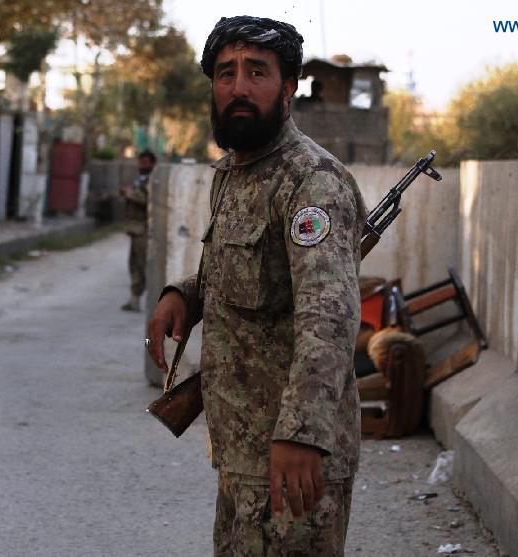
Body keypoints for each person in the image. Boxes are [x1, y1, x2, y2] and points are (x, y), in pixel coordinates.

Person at [146, 16, 367, 555]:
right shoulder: (234, 171)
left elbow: (329, 317)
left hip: (290, 458)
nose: (239, 88)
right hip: (241, 448)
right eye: (225, 74)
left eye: (257, 72)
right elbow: (243, 270)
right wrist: (184, 294)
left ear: (289, 86)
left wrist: (301, 433)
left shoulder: (311, 181)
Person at [119, 150, 156, 312]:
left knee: (144, 265)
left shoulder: (154, 180)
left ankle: (154, 301)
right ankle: (135, 299)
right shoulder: (140, 180)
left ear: (152, 164)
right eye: (140, 162)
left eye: (145, 162)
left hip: (145, 229)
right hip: (135, 229)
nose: (141, 165)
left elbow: (148, 200)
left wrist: (129, 193)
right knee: (134, 264)